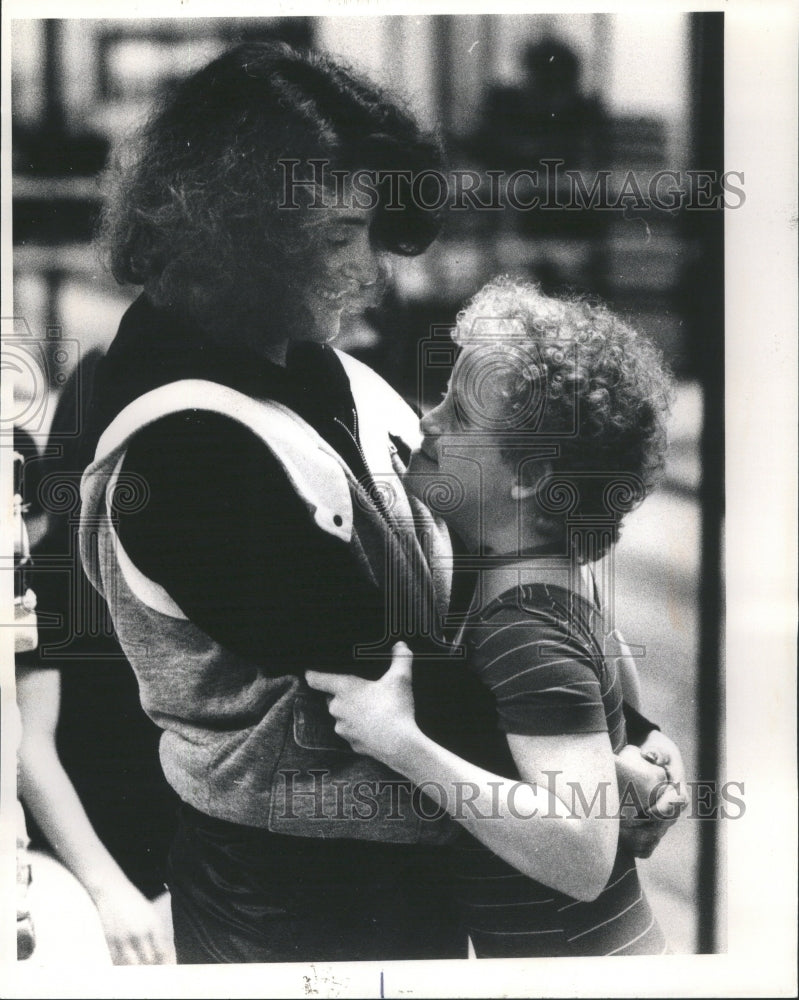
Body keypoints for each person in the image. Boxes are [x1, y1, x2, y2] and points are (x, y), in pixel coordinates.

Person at [79, 42, 682, 964]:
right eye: (335, 237)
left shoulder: (312, 364)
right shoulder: (185, 444)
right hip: (289, 898)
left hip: (403, 863)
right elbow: (385, 666)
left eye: (370, 229)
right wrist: (601, 764)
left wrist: (622, 733)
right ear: (239, 238)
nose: (371, 268)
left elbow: (473, 567)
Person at [307, 276, 684, 956]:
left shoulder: (521, 624)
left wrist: (398, 742)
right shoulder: (549, 576)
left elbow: (581, 854)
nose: (426, 421)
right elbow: (610, 705)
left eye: (459, 415)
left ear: (529, 476)